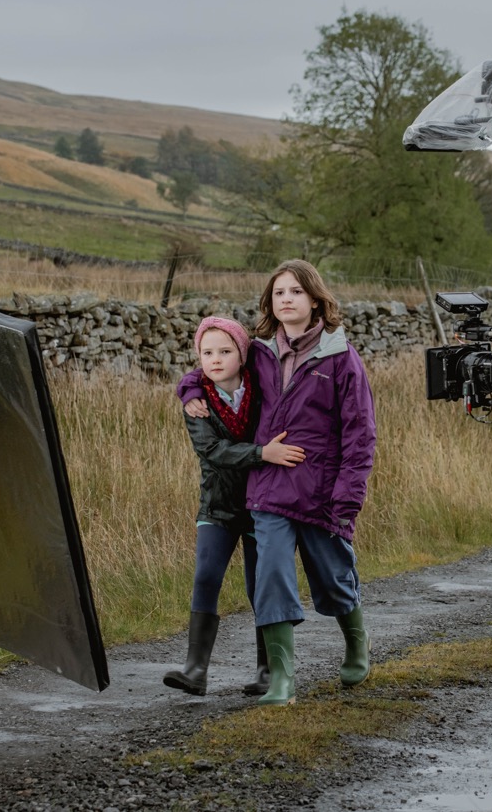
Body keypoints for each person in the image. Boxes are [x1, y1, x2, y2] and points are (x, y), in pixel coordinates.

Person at [180, 260, 377, 706]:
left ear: (315, 299)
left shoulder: (341, 357)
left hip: (321, 492)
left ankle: (356, 643)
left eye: (295, 292)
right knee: (269, 576)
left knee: (331, 577)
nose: (286, 299)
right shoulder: (262, 354)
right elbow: (214, 366)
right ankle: (282, 680)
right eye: (278, 293)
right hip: (267, 488)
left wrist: (347, 497)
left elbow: (360, 432)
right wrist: (189, 390)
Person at [163, 316, 305, 697]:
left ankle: (267, 670)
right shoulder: (197, 403)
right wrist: (263, 453)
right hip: (218, 506)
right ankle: (195, 671)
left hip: (263, 503)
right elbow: (211, 450)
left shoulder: (262, 390)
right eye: (206, 352)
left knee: (261, 585)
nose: (215, 359)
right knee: (206, 577)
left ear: (241, 356)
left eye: (225, 351)